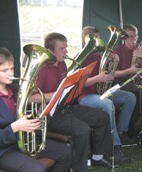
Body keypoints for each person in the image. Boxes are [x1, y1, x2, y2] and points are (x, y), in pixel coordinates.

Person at [29, 32, 113, 171]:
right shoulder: (41, 69)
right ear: (50, 51)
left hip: (64, 108)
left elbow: (65, 87)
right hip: (47, 114)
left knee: (102, 116)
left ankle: (97, 157)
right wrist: (59, 94)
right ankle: (77, 168)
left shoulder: (62, 65)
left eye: (66, 48)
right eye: (62, 48)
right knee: (82, 129)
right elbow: (32, 98)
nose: (66, 51)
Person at [0, 46, 72, 172]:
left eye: (12, 68)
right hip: (0, 151)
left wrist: (38, 114)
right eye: (4, 70)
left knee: (66, 152)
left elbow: (28, 116)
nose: (11, 73)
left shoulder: (16, 89)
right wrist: (15, 127)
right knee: (35, 168)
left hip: (23, 141)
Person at [77, 26, 136, 165]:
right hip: (85, 96)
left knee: (130, 97)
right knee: (107, 104)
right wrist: (98, 78)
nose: (98, 41)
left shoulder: (99, 55)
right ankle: (115, 146)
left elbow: (110, 73)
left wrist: (114, 62)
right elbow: (78, 84)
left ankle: (121, 132)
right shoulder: (81, 57)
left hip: (101, 92)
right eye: (94, 38)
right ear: (85, 40)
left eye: (98, 38)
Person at [113, 24, 142, 136]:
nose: (134, 39)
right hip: (121, 83)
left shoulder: (141, 48)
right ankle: (130, 127)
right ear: (124, 37)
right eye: (131, 36)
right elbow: (112, 73)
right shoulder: (117, 51)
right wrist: (130, 70)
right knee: (137, 92)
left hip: (137, 81)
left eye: (136, 36)